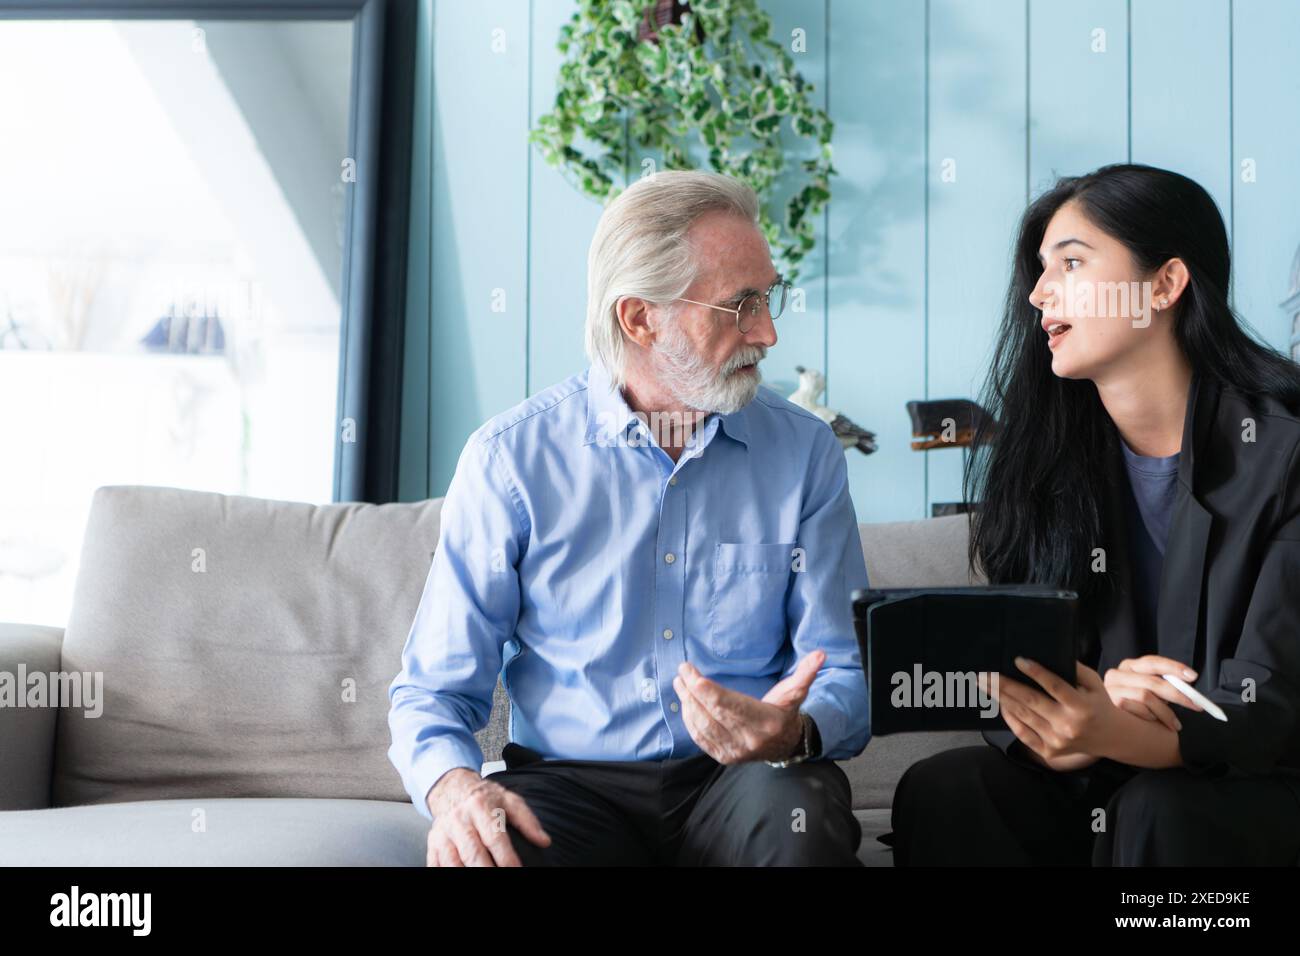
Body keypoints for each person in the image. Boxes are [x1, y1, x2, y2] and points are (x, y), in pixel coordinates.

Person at [387, 170, 871, 866]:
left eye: (769, 298)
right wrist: (456, 789)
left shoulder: (804, 452)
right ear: (640, 318)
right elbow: (432, 690)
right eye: (738, 306)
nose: (766, 331)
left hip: (743, 780)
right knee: (493, 852)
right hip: (569, 785)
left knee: (800, 814)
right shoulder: (510, 462)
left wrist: (792, 731)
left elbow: (845, 666)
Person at [889, 163, 1300, 866]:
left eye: (1071, 263)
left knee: (1161, 809)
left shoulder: (1283, 454)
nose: (1039, 294)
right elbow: (1019, 669)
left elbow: (1271, 706)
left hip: (1253, 782)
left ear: (1165, 285)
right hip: (1099, 778)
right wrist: (1094, 702)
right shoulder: (1046, 465)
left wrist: (1123, 726)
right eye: (1040, 271)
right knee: (948, 789)